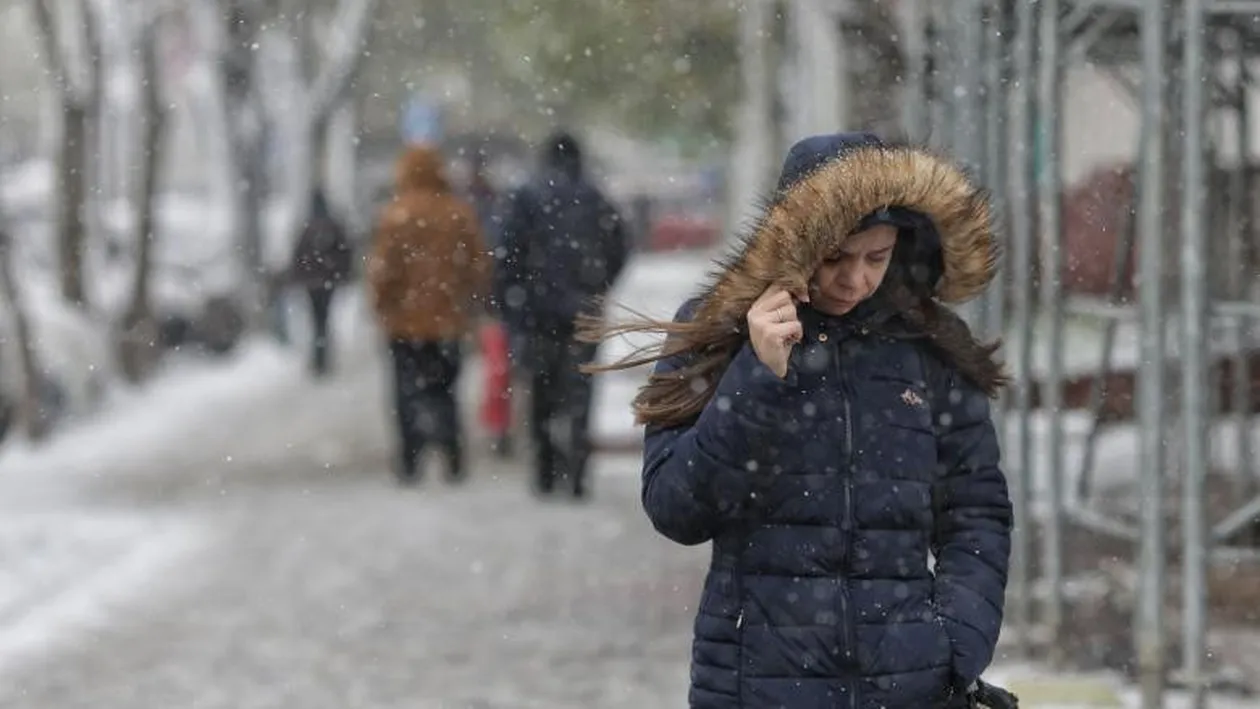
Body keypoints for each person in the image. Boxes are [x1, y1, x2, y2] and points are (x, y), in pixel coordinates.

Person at [580, 133, 1016, 708]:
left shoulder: (928, 347)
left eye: (876, 258)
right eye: (835, 256)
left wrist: (957, 643)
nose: (855, 279)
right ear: (794, 243)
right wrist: (756, 377)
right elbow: (676, 507)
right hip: (756, 686)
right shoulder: (721, 332)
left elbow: (976, 512)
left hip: (908, 688)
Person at [495, 130, 629, 499]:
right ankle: (578, 474)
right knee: (580, 393)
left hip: (537, 313)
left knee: (541, 391)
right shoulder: (595, 198)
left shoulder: (527, 196)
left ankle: (545, 471)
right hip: (584, 312)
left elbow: (507, 255)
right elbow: (620, 244)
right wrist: (599, 285)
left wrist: (512, 303)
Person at [367, 144, 490, 485]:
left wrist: (381, 305)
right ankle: (451, 454)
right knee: (446, 390)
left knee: (406, 393)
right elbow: (479, 265)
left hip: (404, 326)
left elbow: (382, 270)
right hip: (449, 323)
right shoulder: (458, 213)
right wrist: (468, 300)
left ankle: (410, 459)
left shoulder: (396, 214)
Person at [288, 189, 353, 377]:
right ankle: (323, 356)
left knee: (316, 320)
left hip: (312, 283)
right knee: (324, 319)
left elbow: (298, 256)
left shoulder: (306, 228)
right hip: (328, 282)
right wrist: (341, 274)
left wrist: (298, 278)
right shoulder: (334, 226)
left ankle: (318, 358)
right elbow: (345, 252)